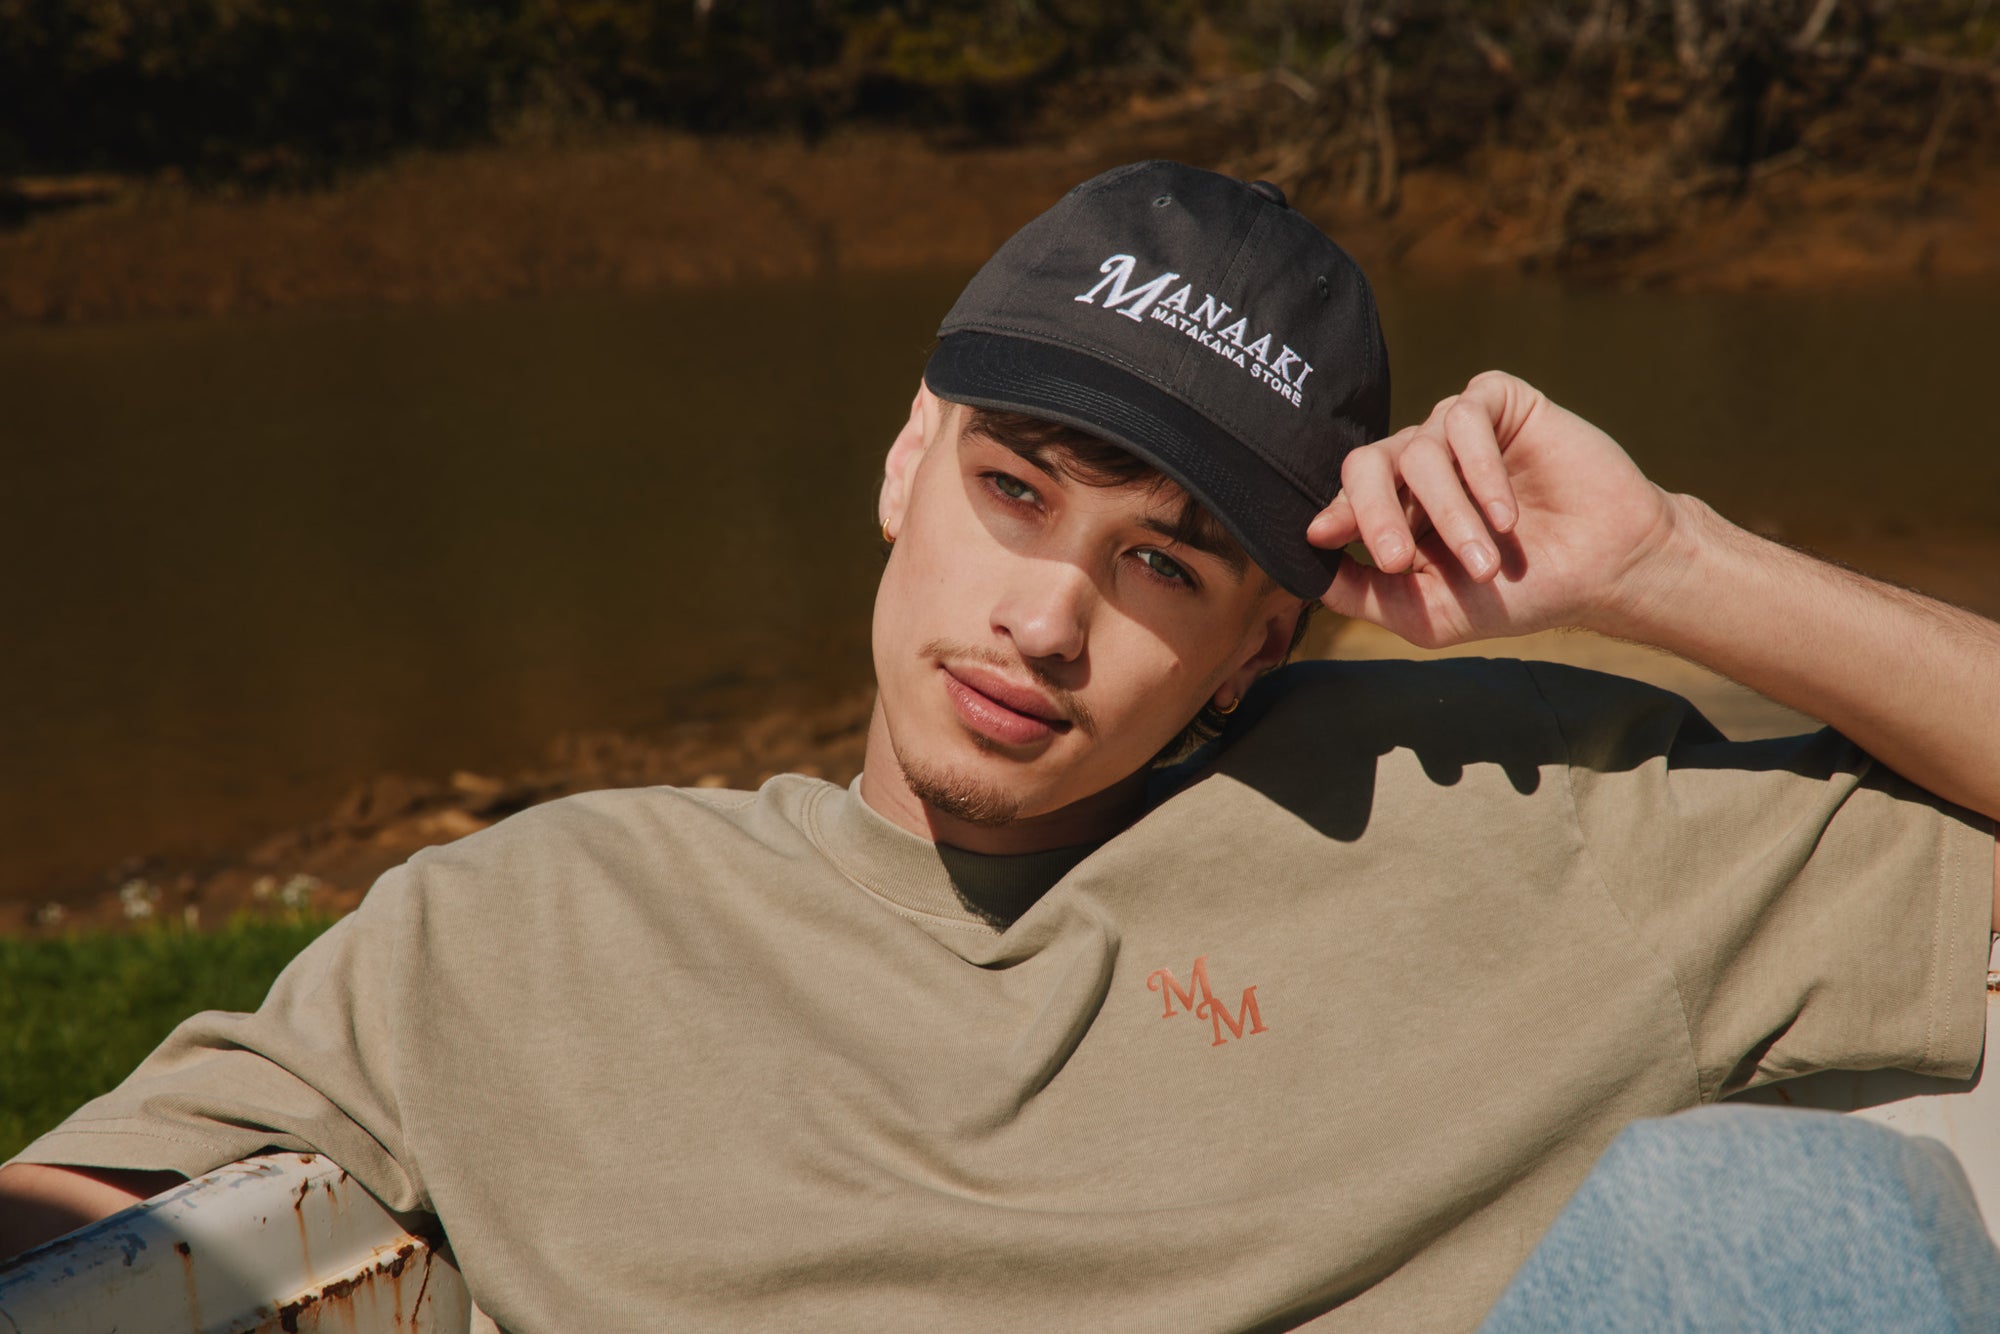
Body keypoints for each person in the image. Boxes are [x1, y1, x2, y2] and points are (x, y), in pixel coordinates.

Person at [2, 160, 1996, 1329]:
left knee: (1801, 1231)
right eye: (1017, 490)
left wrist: (1669, 561)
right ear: (902, 461)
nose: (1044, 617)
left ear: (1258, 642)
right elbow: (80, 1235)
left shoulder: (1520, 808)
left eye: (1161, 562)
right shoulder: (518, 924)